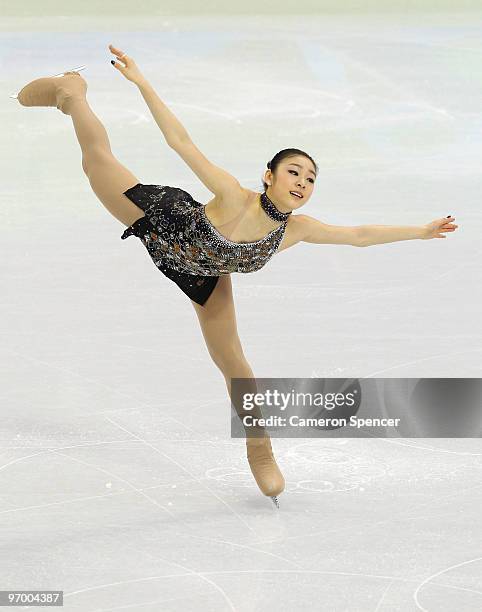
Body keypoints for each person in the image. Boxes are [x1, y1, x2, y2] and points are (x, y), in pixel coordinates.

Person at [14, 44, 459, 508]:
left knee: (235, 366)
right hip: (161, 221)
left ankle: (259, 444)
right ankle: (72, 94)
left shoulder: (297, 229)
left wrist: (421, 232)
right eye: (293, 171)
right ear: (269, 175)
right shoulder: (232, 195)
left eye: (310, 178)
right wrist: (142, 82)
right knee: (96, 160)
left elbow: (360, 235)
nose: (303, 182)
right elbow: (181, 142)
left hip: (203, 275)